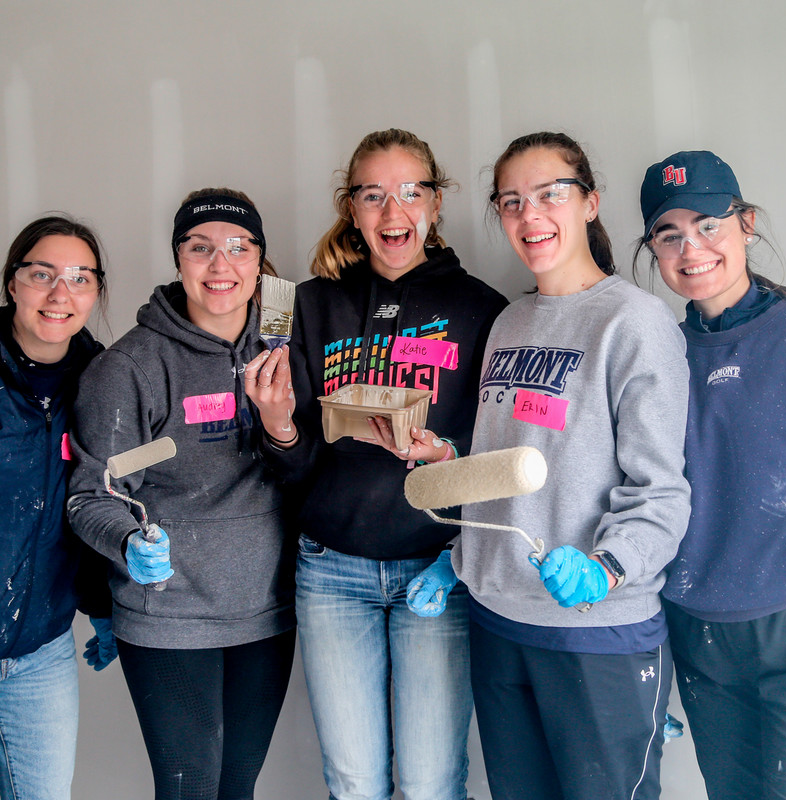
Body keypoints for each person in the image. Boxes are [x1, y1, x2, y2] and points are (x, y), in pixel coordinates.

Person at [425, 132, 691, 800]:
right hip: (497, 620)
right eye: (511, 202)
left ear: (590, 203)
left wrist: (606, 568)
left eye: (550, 194)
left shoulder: (633, 322)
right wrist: (460, 554)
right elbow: (501, 466)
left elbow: (662, 489)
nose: (529, 215)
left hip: (595, 635)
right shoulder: (509, 323)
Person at [249, 128, 507, 800]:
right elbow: (297, 463)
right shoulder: (311, 305)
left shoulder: (483, 311)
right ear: (352, 209)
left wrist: (448, 458)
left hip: (438, 571)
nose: (393, 212)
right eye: (372, 196)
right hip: (332, 570)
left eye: (409, 192)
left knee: (430, 782)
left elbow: (502, 459)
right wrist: (278, 427)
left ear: (437, 201)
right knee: (355, 782)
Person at [67, 189, 296, 800]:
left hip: (267, 612)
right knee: (190, 790)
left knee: (236, 789)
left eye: (238, 248)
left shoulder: (285, 346)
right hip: (171, 615)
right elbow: (92, 495)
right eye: (200, 249)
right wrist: (126, 541)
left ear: (259, 260)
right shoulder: (130, 367)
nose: (220, 266)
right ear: (178, 260)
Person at [635, 150, 786, 800]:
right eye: (668, 233)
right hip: (695, 625)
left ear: (746, 224)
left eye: (707, 224)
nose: (691, 248)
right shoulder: (660, 351)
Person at [0, 215, 115, 800]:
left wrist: (103, 605)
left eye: (79, 278)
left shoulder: (101, 382)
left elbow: (97, 501)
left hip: (39, 650)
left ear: (95, 293)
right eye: (41, 274)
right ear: (12, 283)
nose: (59, 294)